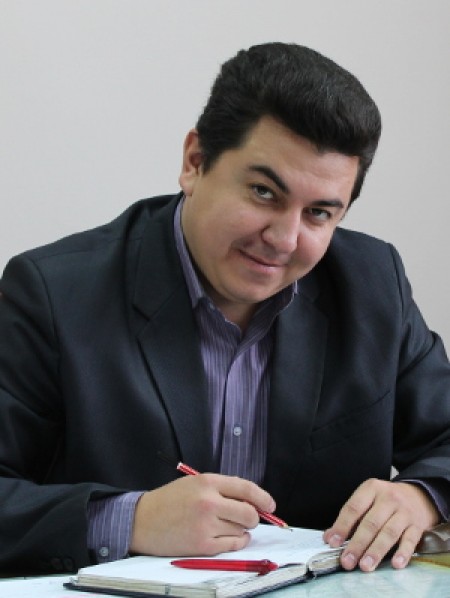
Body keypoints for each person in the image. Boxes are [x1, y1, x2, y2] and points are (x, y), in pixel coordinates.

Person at [0, 42, 449, 577]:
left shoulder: (373, 284)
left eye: (318, 213)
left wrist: (423, 496)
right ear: (195, 162)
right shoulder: (53, 292)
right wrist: (130, 520)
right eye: (263, 192)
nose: (284, 239)